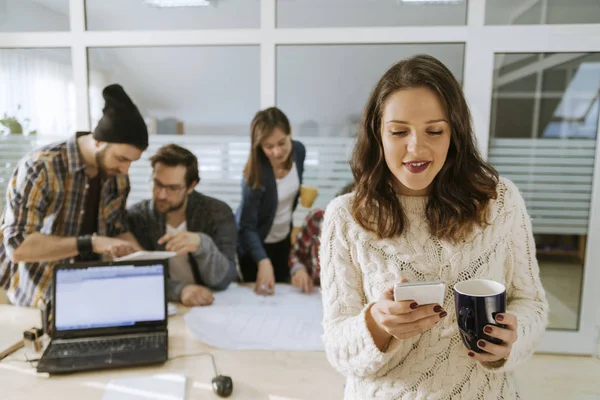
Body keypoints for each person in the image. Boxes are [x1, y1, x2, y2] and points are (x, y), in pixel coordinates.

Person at [319, 54, 549, 399]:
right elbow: (338, 347)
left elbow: (531, 302)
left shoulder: (499, 201)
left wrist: (510, 341)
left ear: (454, 133)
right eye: (399, 131)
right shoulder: (346, 217)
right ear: (377, 134)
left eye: (434, 130)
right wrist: (377, 323)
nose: (416, 147)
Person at [0, 84, 148, 307]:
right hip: (39, 299)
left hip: (93, 295)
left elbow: (119, 229)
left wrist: (148, 264)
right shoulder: (40, 168)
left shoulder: (117, 177)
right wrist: (90, 243)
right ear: (98, 142)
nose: (126, 170)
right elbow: (18, 247)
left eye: (131, 162)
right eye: (121, 159)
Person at [127, 144, 238, 307]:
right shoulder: (138, 217)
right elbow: (138, 276)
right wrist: (180, 290)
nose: (161, 194)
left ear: (191, 186)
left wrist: (202, 245)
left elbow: (224, 279)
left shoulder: (218, 212)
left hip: (215, 304)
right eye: (157, 183)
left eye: (173, 188)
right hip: (164, 303)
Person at [236, 107, 306, 296]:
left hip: (282, 240)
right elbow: (246, 226)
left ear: (289, 132)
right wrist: (262, 260)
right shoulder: (254, 177)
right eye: (269, 147)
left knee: (283, 293)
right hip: (255, 246)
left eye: (282, 142)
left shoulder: (299, 151)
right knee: (260, 296)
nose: (277, 151)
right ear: (259, 146)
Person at [289, 182, 354, 293]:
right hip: (313, 294)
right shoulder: (317, 218)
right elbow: (297, 255)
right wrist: (299, 270)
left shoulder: (367, 235)